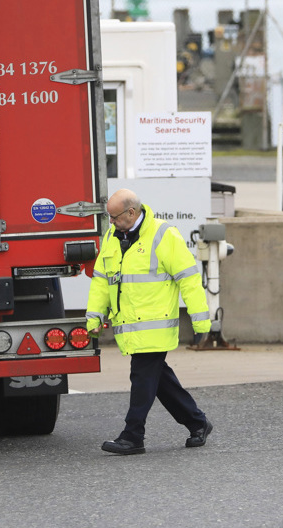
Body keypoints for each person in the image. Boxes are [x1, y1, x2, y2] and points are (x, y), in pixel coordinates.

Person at [86, 188, 214, 455]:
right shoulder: (113, 236)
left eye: (115, 217)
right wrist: (95, 316)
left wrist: (201, 323)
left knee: (142, 376)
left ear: (131, 212)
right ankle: (198, 422)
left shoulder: (163, 235)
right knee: (159, 381)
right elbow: (101, 279)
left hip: (156, 325)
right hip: (131, 326)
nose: (110, 222)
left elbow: (189, 279)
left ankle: (132, 436)